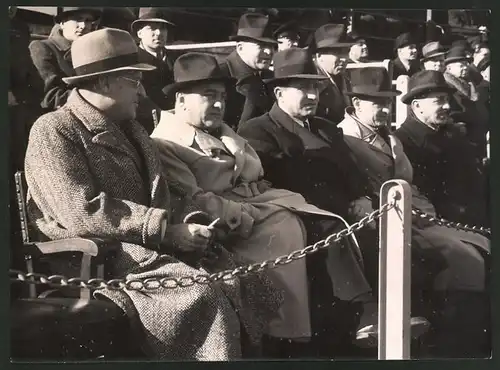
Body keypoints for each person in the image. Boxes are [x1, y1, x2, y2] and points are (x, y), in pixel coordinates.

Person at [23, 28, 280, 360]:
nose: (142, 90)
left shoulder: (133, 130)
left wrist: (192, 221)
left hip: (145, 253)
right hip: (97, 261)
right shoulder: (54, 130)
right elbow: (79, 210)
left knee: (250, 281)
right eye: (133, 80)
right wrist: (164, 230)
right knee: (202, 293)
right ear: (102, 82)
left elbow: (166, 194)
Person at [238, 49, 429, 356]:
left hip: (344, 208)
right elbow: (272, 179)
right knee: (335, 233)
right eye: (303, 88)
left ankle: (399, 314)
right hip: (300, 211)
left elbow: (351, 171)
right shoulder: (258, 130)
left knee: (393, 234)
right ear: (279, 93)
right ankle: (367, 311)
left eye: (315, 87)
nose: (312, 95)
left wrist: (360, 198)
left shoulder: (326, 128)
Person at [337, 67, 490, 358]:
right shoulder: (344, 137)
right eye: (376, 103)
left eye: (386, 102)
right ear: (356, 104)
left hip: (415, 216)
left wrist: (426, 213)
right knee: (463, 257)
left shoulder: (390, 139)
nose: (383, 109)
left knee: (477, 247)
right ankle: (452, 342)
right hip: (381, 221)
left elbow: (409, 185)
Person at [395, 70, 489, 229]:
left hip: (474, 221)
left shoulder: (454, 136)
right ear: (417, 106)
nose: (447, 106)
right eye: (438, 101)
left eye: (446, 99)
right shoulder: (403, 142)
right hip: (439, 228)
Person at [29, 7, 102, 111]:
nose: (83, 26)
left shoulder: (90, 51)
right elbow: (49, 96)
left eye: (88, 20)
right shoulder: (42, 47)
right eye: (78, 19)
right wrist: (96, 98)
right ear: (62, 23)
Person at [219, 12, 276, 129]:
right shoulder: (220, 75)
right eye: (261, 46)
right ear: (240, 48)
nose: (269, 52)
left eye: (271, 46)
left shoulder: (270, 76)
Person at [443, 46, 489, 156]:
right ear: (449, 68)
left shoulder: (469, 83)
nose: (465, 67)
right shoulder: (447, 87)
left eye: (465, 64)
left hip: (478, 134)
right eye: (461, 65)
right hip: (462, 136)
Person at [131, 7, 175, 111]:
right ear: (139, 33)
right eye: (152, 28)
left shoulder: (177, 59)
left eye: (163, 28)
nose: (159, 33)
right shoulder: (133, 62)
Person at [310, 24, 353, 125]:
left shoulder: (345, 78)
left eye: (346, 52)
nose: (344, 59)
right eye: (337, 53)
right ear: (319, 55)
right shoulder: (312, 83)